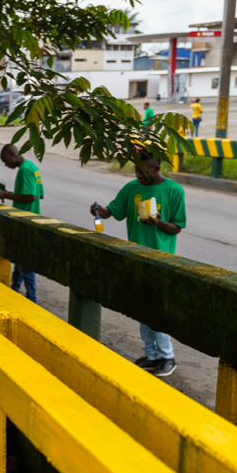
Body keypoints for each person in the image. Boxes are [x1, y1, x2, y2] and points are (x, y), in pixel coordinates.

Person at [91, 152, 186, 377]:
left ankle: (167, 357)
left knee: (157, 309)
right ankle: (151, 354)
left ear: (157, 167)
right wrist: (99, 211)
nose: (139, 175)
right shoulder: (131, 188)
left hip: (161, 260)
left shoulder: (174, 190)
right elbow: (111, 212)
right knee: (142, 308)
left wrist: (158, 222)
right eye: (136, 171)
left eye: (144, 171)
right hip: (136, 258)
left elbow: (177, 226)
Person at [0, 144, 43, 303]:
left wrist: (5, 195)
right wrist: (14, 194)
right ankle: (14, 290)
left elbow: (31, 197)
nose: (5, 164)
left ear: (13, 154)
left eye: (5, 160)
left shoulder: (24, 169)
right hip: (29, 219)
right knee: (19, 260)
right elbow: (38, 194)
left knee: (25, 263)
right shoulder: (32, 166)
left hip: (26, 222)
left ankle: (32, 299)